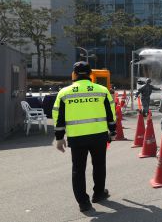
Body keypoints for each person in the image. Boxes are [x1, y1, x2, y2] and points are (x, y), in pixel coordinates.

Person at [52, 61, 117, 212]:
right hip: (99, 136)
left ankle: (84, 203)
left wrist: (59, 137)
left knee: (78, 170)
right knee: (99, 166)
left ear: (74, 74)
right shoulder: (102, 90)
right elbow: (111, 114)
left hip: (77, 137)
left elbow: (58, 116)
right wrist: (112, 131)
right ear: (90, 74)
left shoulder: (64, 92)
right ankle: (99, 194)